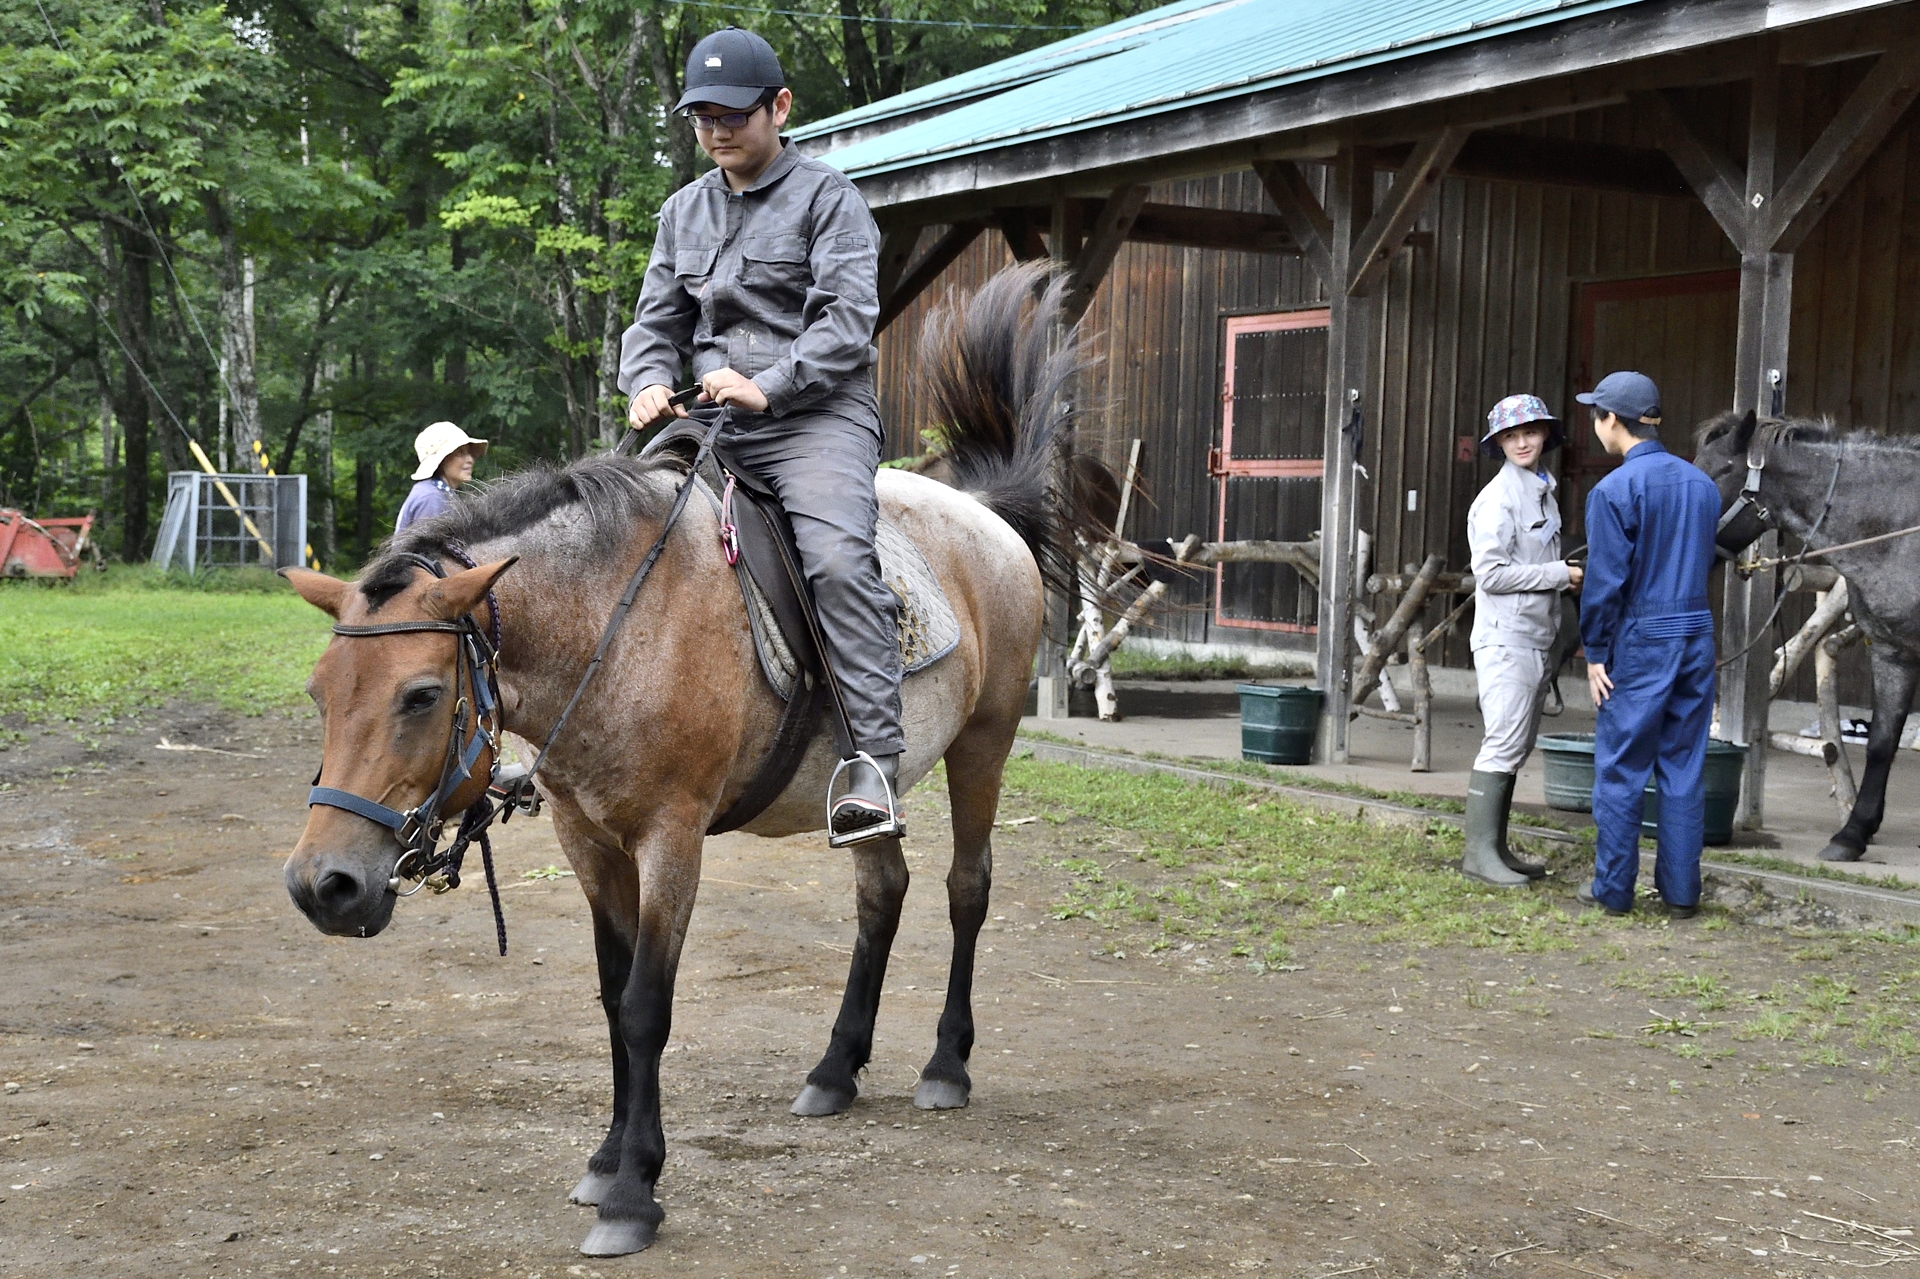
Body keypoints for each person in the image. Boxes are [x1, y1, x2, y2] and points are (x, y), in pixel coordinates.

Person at [617, 27, 903, 842]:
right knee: (616, 536)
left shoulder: (827, 199)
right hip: (705, 423)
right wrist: (644, 381)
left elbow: (848, 323)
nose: (716, 130)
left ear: (779, 106)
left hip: (813, 419)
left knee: (842, 563)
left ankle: (872, 769)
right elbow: (655, 323)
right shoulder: (682, 211)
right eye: (702, 115)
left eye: (733, 113)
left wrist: (767, 383)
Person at [1575, 371, 1721, 918]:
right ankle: (1682, 895)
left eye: (1596, 415)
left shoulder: (1613, 490)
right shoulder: (1701, 485)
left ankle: (1613, 892)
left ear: (1613, 420)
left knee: (1621, 767)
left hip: (1641, 639)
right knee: (1683, 766)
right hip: (1695, 632)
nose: (1595, 425)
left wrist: (1594, 652)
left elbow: (1604, 582)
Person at [1461, 394, 1585, 887]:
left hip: (1535, 637)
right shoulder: (1496, 500)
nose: (1522, 441)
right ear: (1499, 444)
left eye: (1530, 432)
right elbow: (1490, 575)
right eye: (1511, 436)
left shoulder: (1541, 491)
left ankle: (1496, 848)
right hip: (1505, 639)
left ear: (1545, 436)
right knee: (1502, 743)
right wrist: (1559, 574)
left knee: (1517, 744)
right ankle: (1478, 857)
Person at [395, 421, 487, 533]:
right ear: (442, 460)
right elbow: (427, 549)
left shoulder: (436, 493)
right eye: (460, 453)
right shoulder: (432, 498)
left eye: (469, 453)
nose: (470, 459)